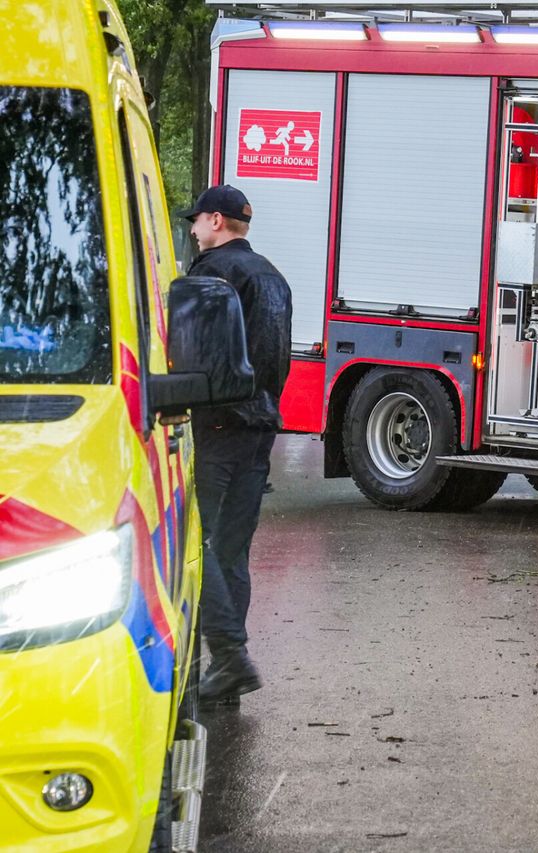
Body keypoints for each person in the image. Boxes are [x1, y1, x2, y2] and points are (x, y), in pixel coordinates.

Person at [180, 184, 293, 703]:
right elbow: (277, 359)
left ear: (218, 222)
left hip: (219, 426)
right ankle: (225, 676)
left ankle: (228, 656)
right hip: (259, 425)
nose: (192, 228)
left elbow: (191, 357)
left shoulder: (210, 275)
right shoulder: (272, 274)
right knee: (231, 550)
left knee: (197, 548)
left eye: (197, 220)